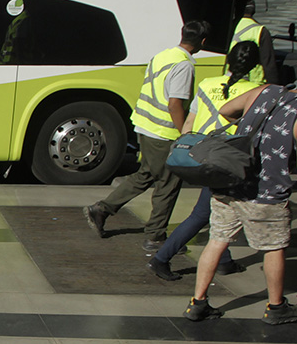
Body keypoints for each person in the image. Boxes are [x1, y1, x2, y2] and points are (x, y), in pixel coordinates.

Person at [184, 66, 297, 325]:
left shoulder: (265, 91)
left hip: (231, 180)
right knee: (274, 247)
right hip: (266, 189)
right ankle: (276, 307)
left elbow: (225, 111)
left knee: (217, 240)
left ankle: (197, 303)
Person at [84, 20, 211, 251]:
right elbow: (175, 104)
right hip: (163, 133)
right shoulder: (184, 66)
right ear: (203, 42)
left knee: (146, 174)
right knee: (168, 183)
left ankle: (102, 209)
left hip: (145, 126)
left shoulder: (163, 55)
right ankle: (155, 236)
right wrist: (185, 134)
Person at [146, 41, 261, 281]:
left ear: (227, 61)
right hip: (228, 159)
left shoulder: (207, 84)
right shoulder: (256, 90)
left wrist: (183, 146)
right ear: (256, 65)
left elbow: (190, 121)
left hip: (203, 154)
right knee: (203, 214)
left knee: (220, 209)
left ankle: (224, 260)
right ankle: (161, 258)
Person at [227, 0, 279, 85]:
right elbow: (269, 64)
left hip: (228, 79)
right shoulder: (261, 31)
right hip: (253, 84)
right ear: (253, 11)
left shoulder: (226, 28)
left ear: (235, 10)